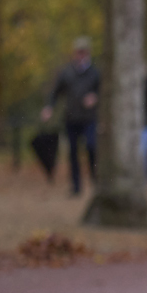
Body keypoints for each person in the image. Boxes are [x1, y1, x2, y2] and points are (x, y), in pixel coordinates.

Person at [41, 37, 100, 196]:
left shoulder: (95, 72)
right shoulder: (67, 72)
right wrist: (49, 108)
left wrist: (95, 98)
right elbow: (55, 92)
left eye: (83, 51)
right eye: (78, 52)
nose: (81, 55)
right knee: (72, 152)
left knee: (91, 147)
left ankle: (95, 180)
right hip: (71, 118)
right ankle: (76, 186)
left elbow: (103, 92)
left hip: (89, 118)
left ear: (88, 53)